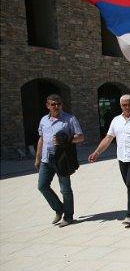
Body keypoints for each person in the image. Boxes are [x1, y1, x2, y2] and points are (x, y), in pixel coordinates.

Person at [88, 94, 130, 228]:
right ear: (121, 106)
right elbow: (108, 138)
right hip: (122, 158)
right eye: (124, 105)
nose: (127, 107)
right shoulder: (116, 120)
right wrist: (97, 152)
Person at [35, 94, 84, 227]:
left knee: (65, 189)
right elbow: (41, 139)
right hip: (46, 159)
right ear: (47, 106)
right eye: (53, 104)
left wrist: (67, 140)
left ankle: (68, 217)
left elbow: (80, 137)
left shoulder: (69, 119)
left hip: (62, 159)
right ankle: (59, 208)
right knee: (42, 186)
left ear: (61, 105)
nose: (56, 106)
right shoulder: (44, 120)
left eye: (58, 104)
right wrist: (38, 158)